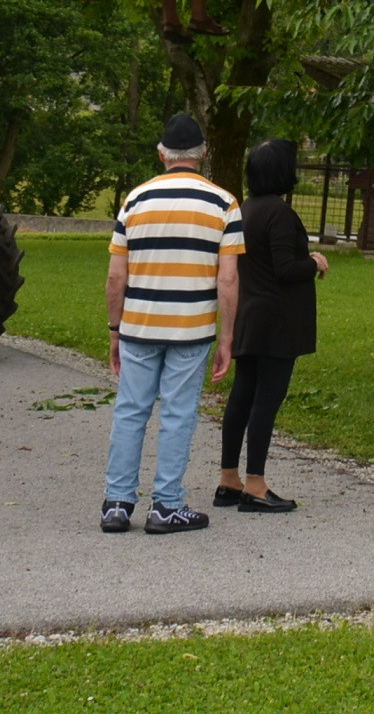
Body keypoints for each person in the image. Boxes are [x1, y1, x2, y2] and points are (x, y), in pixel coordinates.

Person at [101, 112, 241, 535]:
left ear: (162, 154)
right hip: (192, 328)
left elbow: (115, 276)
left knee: (130, 411)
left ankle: (117, 503)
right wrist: (228, 338)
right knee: (178, 414)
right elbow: (229, 279)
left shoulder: (135, 200)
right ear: (204, 155)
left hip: (139, 325)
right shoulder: (224, 203)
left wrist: (114, 330)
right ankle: (166, 505)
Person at [217, 137, 328, 513]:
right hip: (278, 321)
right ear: (284, 172)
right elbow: (285, 268)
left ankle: (228, 480)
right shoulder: (279, 213)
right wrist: (314, 262)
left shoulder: (245, 208)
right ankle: (256, 486)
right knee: (267, 400)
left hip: (250, 315)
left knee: (241, 399)